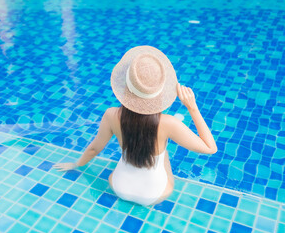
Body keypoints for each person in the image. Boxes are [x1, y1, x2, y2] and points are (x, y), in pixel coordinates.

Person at [53, 46, 217, 206]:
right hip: (155, 195)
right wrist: (192, 107)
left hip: (117, 186)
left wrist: (76, 164)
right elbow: (210, 148)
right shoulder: (168, 123)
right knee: (163, 153)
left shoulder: (111, 115)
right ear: (160, 91)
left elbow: (94, 149)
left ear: (126, 86)